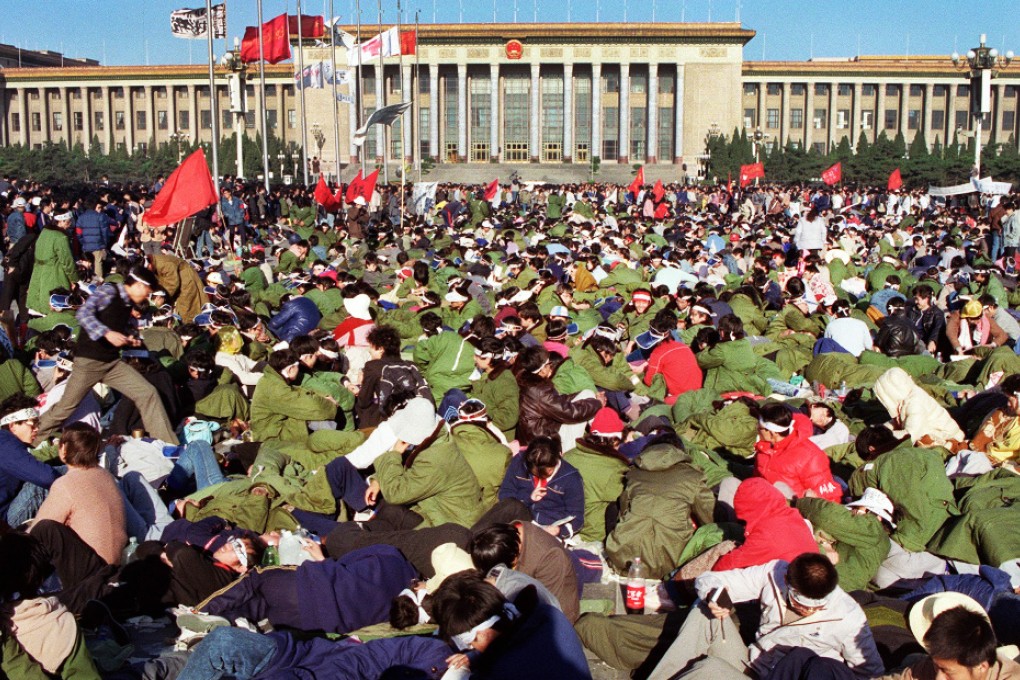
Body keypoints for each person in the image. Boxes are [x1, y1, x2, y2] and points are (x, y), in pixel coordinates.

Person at [646, 552, 884, 680]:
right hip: (749, 660)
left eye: (817, 607)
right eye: (802, 604)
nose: (809, 611)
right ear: (788, 584)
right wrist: (715, 596)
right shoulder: (775, 572)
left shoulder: (850, 618)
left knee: (708, 670)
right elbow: (711, 579)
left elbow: (870, 672)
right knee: (703, 610)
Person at [34, 264, 179, 444]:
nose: (146, 297)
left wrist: (131, 337)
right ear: (139, 286)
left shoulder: (128, 303)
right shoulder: (109, 293)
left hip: (111, 364)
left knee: (147, 393)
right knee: (65, 407)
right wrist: (106, 333)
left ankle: (168, 445)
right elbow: (84, 313)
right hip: (89, 362)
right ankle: (31, 439)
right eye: (147, 291)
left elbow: (118, 324)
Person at [31, 423, 127, 565]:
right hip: (115, 563)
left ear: (63, 449)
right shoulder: (106, 475)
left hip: (87, 571)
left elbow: (36, 532)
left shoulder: (66, 484)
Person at [878, 593, 1020, 679]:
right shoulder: (943, 663)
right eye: (937, 667)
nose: (939, 678)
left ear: (980, 667)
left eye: (947, 672)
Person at [0, 396, 58, 526]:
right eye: (33, 423)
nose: (36, 429)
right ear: (13, 426)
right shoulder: (6, 444)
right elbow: (47, 478)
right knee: (40, 483)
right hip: (6, 521)